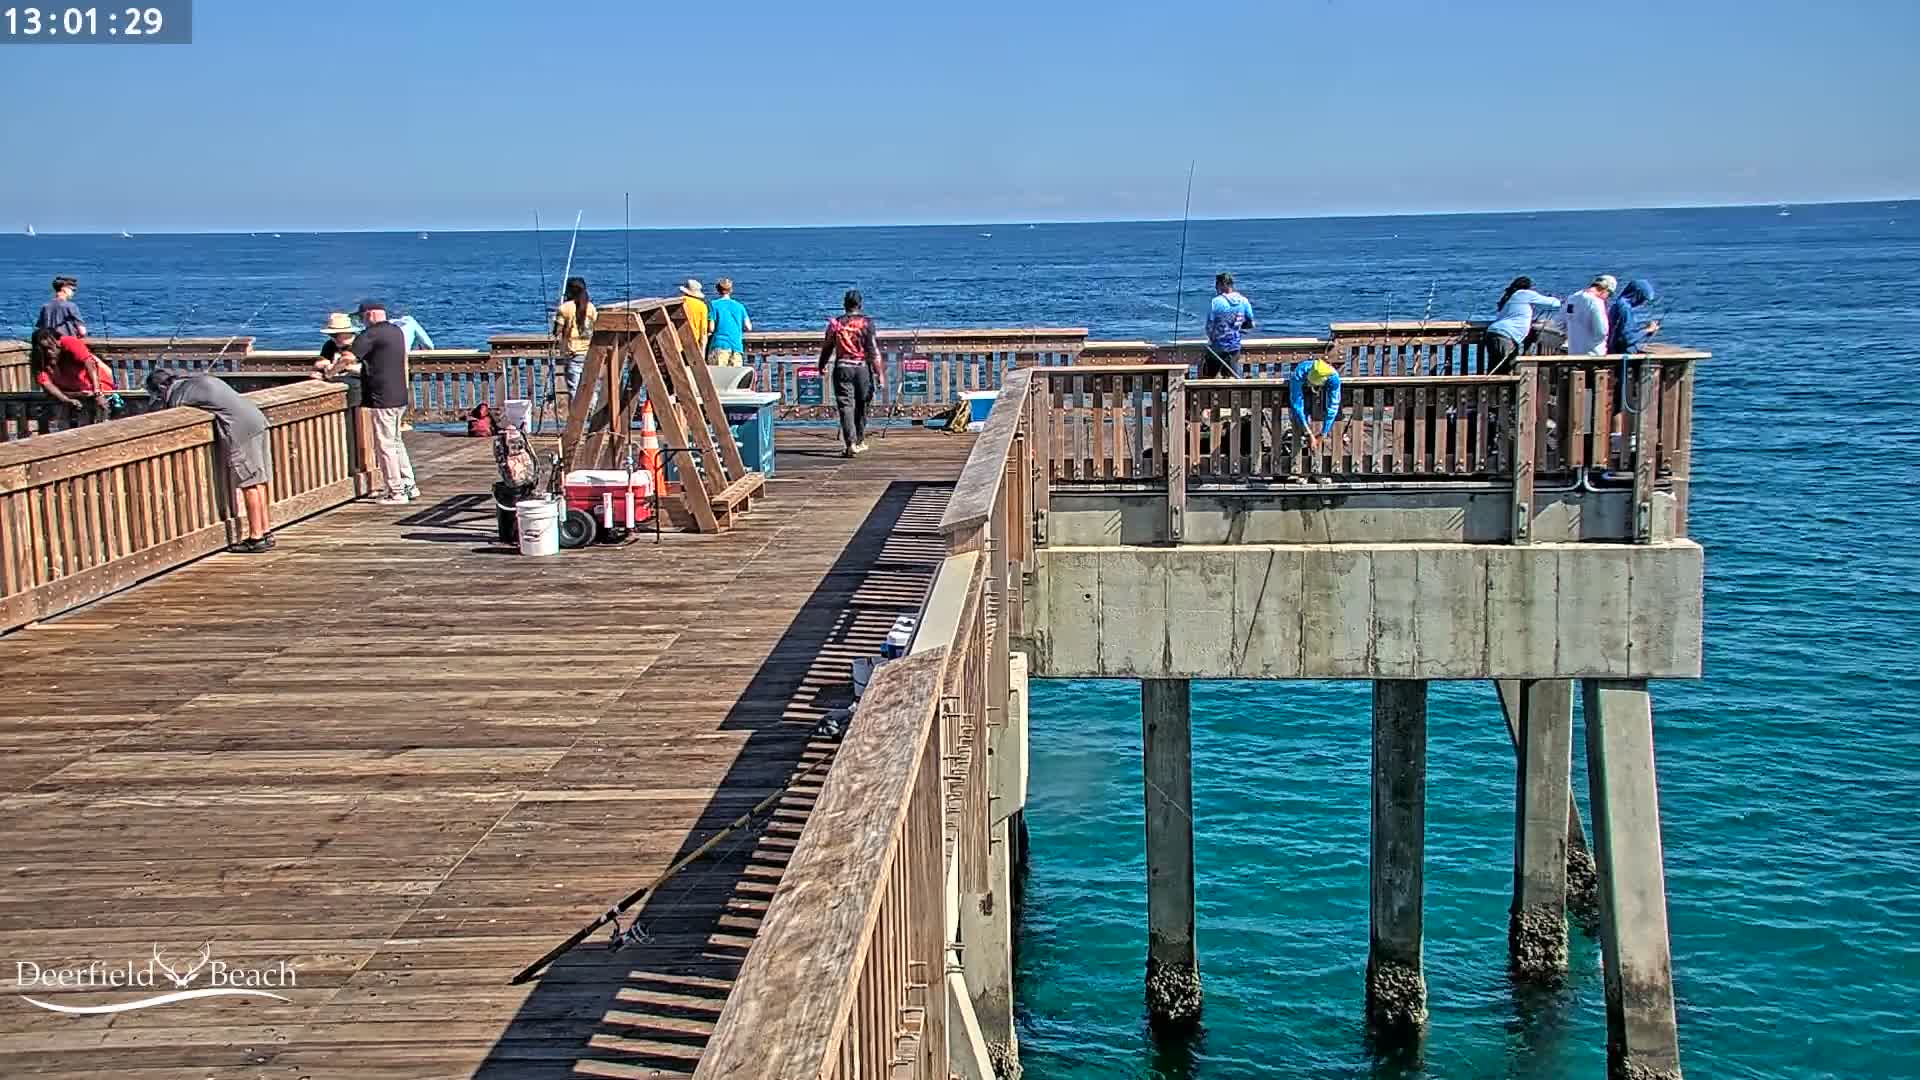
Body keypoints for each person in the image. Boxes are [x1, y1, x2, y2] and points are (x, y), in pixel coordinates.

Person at [145, 368, 274, 553]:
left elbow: (171, 415)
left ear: (162, 388)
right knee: (258, 481)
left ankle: (256, 537)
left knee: (249, 484)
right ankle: (266, 531)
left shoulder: (178, 394)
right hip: (257, 420)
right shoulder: (196, 381)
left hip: (239, 428)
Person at [351, 300, 418, 505]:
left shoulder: (371, 334)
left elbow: (349, 356)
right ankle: (409, 485)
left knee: (385, 445)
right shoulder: (396, 332)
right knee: (396, 441)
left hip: (382, 398)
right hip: (399, 395)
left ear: (369, 315)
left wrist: (331, 371)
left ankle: (395, 492)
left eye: (362, 317)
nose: (362, 321)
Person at [819, 290, 886, 457]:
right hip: (862, 368)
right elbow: (873, 350)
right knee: (863, 404)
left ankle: (850, 443)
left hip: (842, 367)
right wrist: (880, 374)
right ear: (860, 304)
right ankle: (860, 440)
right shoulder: (866, 323)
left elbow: (827, 347)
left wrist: (821, 365)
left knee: (845, 406)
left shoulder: (836, 324)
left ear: (844, 305)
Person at [31, 328, 115, 423]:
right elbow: (45, 382)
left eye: (51, 347)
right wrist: (65, 399)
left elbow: (89, 363)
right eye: (44, 349)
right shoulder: (38, 356)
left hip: (95, 388)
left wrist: (97, 392)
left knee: (96, 418)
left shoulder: (69, 342)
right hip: (69, 394)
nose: (49, 352)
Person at [1485, 277, 1561, 371]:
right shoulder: (1524, 293)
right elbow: (1554, 303)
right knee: (1508, 368)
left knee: (1494, 367)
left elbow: (1515, 315)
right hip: (1506, 336)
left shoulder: (1510, 297)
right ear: (1528, 287)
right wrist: (1559, 299)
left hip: (1493, 333)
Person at [1288, 358, 1342, 470]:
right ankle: (1299, 464)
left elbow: (1333, 407)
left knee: (1323, 410)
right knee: (1299, 414)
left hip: (1322, 391)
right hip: (1300, 384)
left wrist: (1323, 433)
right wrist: (1309, 433)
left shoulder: (1333, 377)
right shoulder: (1300, 372)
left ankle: (1316, 466)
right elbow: (1297, 405)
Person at [1203, 272, 1255, 378]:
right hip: (1234, 347)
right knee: (1234, 377)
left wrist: (1213, 337)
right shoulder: (1244, 301)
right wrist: (1238, 328)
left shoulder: (1216, 302)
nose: (1216, 288)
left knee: (1209, 377)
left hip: (1217, 347)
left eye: (1217, 285)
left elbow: (1209, 326)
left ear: (1223, 284)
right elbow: (1251, 323)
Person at [553, 277, 596, 395]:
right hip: (590, 352)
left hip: (573, 354)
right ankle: (593, 413)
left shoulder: (564, 308)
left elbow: (556, 331)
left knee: (575, 391)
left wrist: (557, 315)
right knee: (590, 390)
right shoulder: (591, 307)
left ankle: (578, 414)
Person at [311, 312, 365, 403]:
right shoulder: (330, 345)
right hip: (336, 387)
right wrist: (326, 365)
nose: (333, 338)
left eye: (336, 335)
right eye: (331, 335)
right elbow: (319, 363)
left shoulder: (361, 344)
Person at [1606, 279, 1661, 354]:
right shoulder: (1624, 308)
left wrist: (1647, 332)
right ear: (1637, 294)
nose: (1642, 303)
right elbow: (1628, 338)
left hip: (1614, 350)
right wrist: (1648, 329)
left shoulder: (1617, 304)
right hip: (1622, 356)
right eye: (1642, 298)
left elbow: (1624, 333)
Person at [1564, 275, 1614, 356]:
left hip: (1573, 352)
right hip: (1593, 354)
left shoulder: (1572, 298)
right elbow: (1601, 331)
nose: (1607, 298)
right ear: (1605, 289)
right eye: (1610, 294)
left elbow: (1561, 321)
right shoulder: (1596, 302)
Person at [707, 278, 751, 366]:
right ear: (731, 290)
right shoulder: (739, 306)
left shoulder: (713, 304)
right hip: (736, 345)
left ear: (718, 290)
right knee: (735, 377)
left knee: (718, 376)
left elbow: (711, 328)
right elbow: (748, 327)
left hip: (720, 344)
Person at [679, 279, 710, 351]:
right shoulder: (701, 306)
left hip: (677, 341)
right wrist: (702, 352)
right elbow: (703, 332)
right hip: (692, 343)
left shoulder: (677, 302)